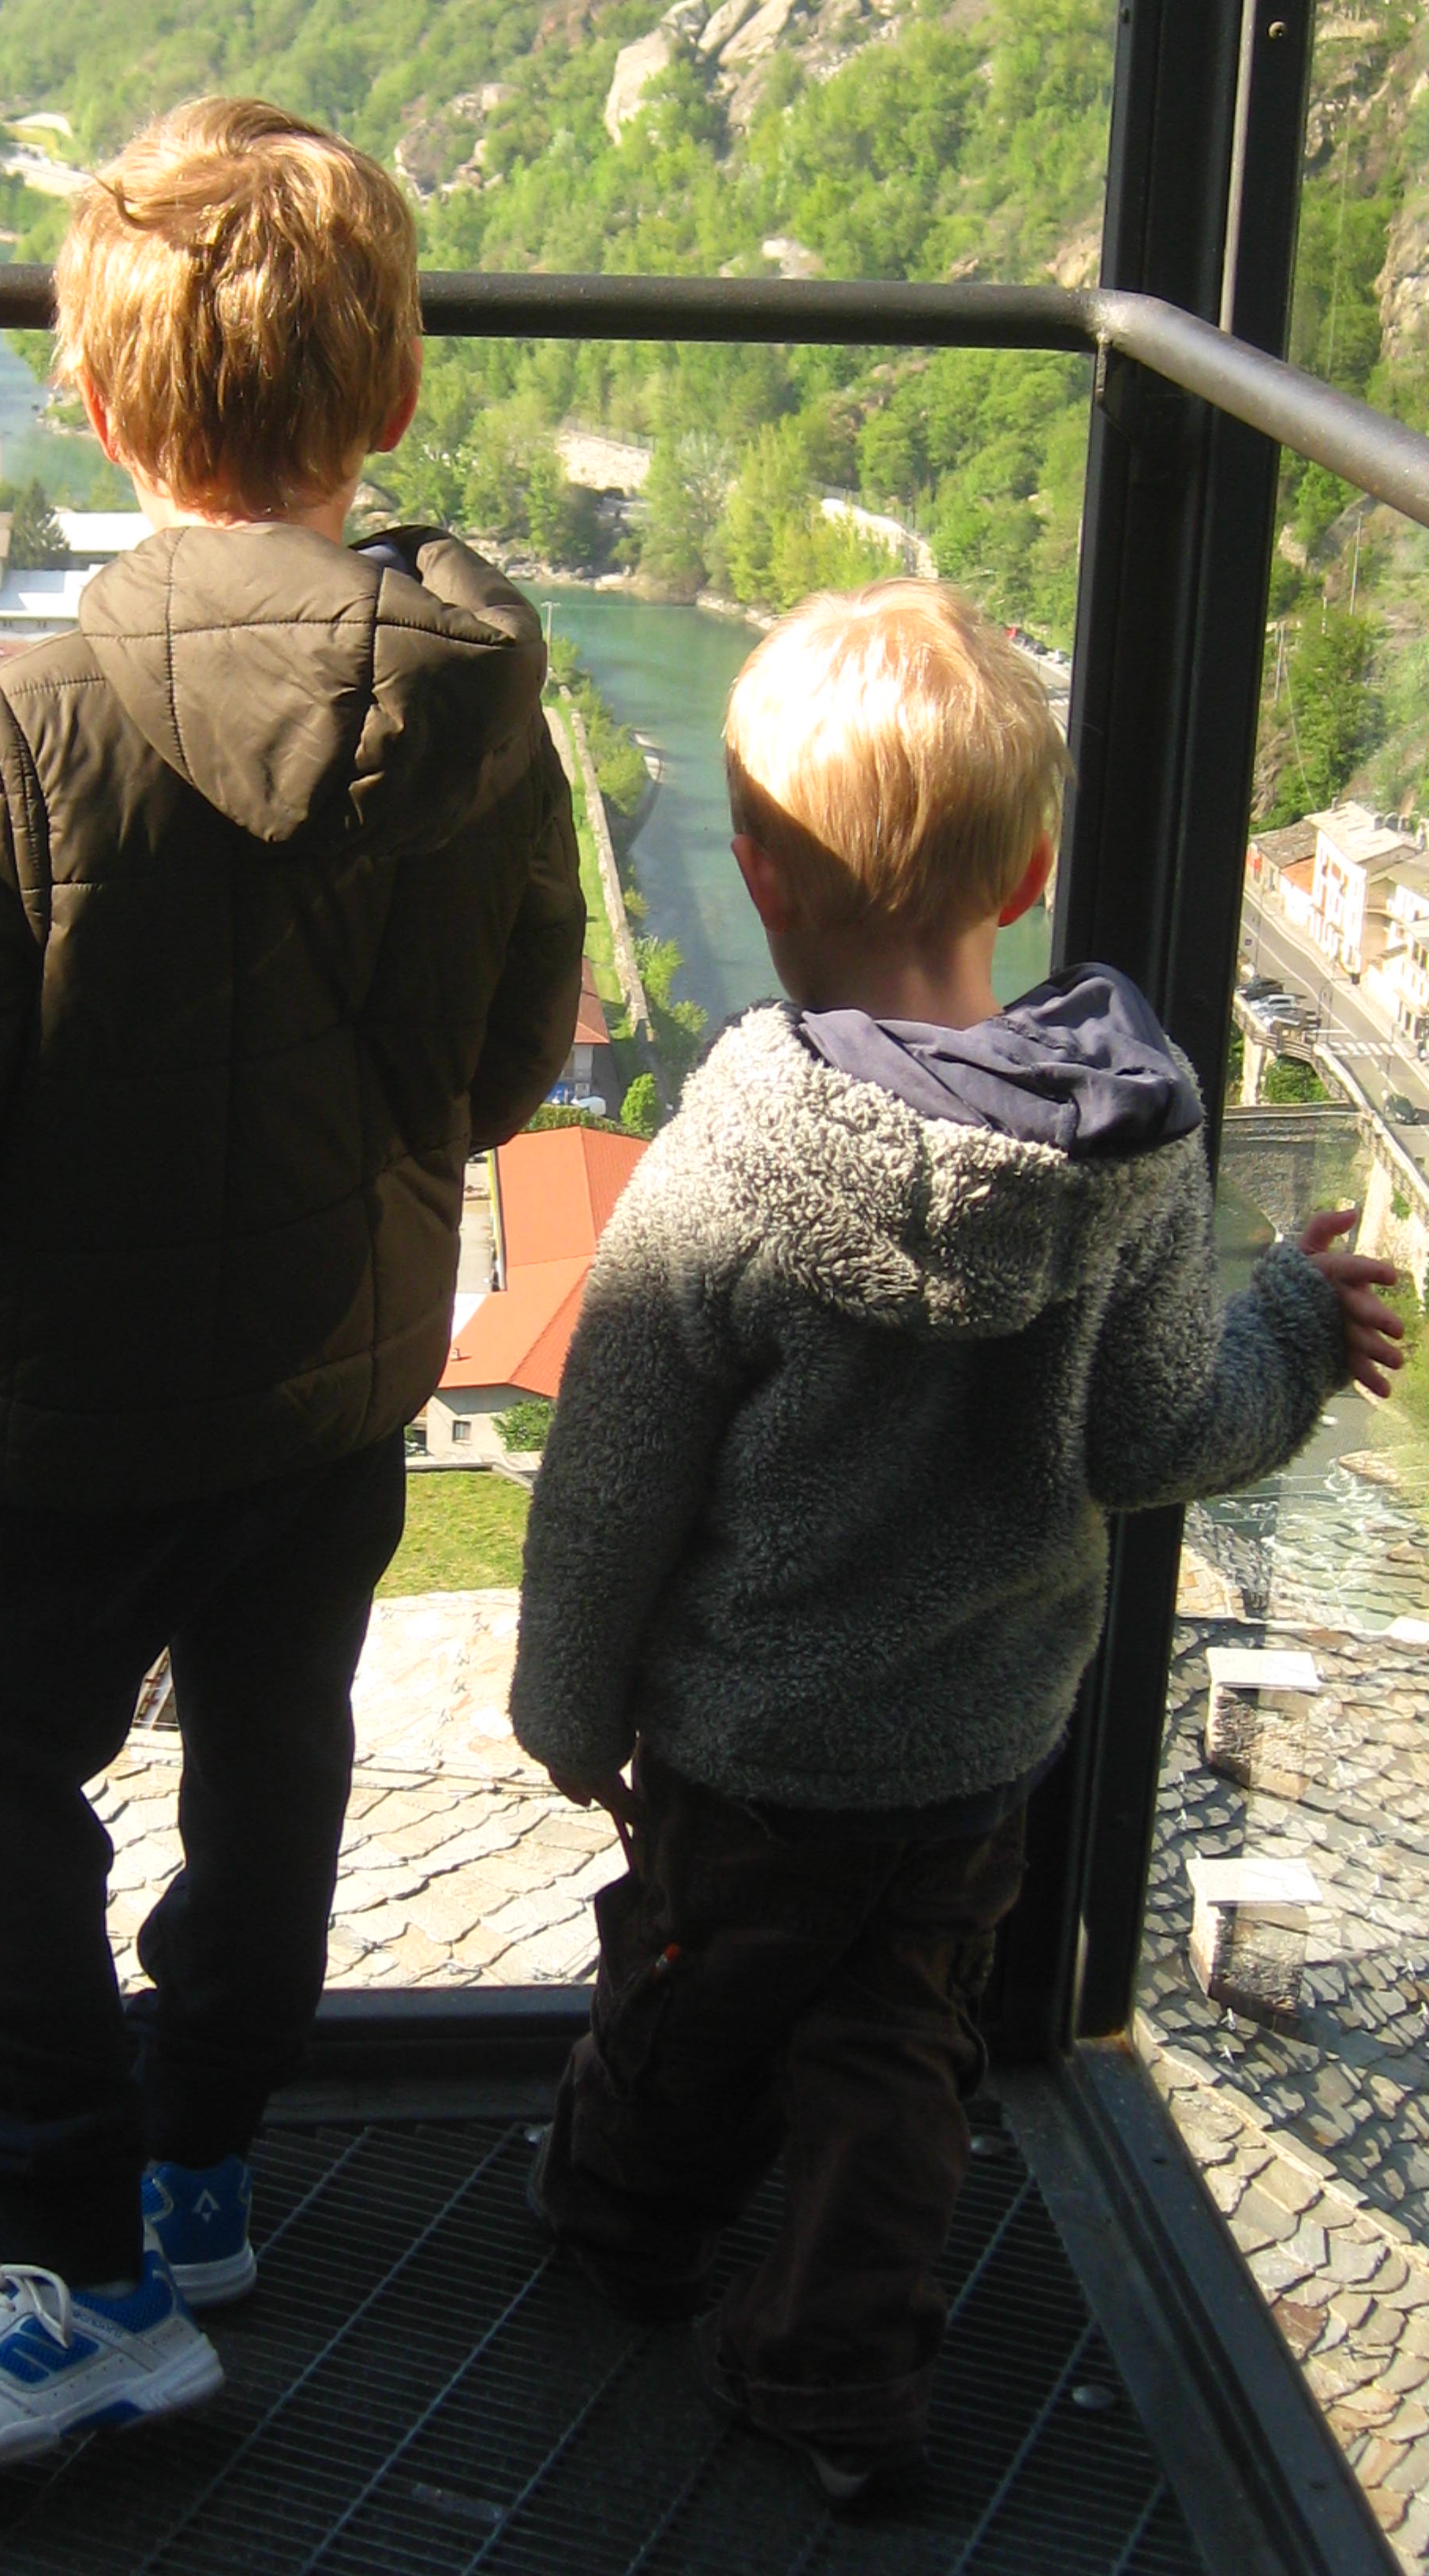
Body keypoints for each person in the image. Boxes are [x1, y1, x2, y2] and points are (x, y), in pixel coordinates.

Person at [0, 96, 583, 2477]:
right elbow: (512, 1061)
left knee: (0, 1780)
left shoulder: (20, 734)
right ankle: (203, 2165)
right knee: (274, 1761)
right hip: (336, 1384)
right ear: (393, 391)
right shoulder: (489, 705)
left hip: (60, 1413)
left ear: (96, 400)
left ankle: (84, 2278)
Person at [508, 578, 1402, 2510]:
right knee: (895, 2049)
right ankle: (840, 2375)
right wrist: (1291, 1331)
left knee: (689, 1989)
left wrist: (567, 1705)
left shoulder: (733, 1152)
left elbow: (612, 1470)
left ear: (757, 873)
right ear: (1032, 876)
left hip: (752, 1749)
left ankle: (623, 2224)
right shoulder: (1132, 1153)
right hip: (977, 1745)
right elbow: (1160, 1437)